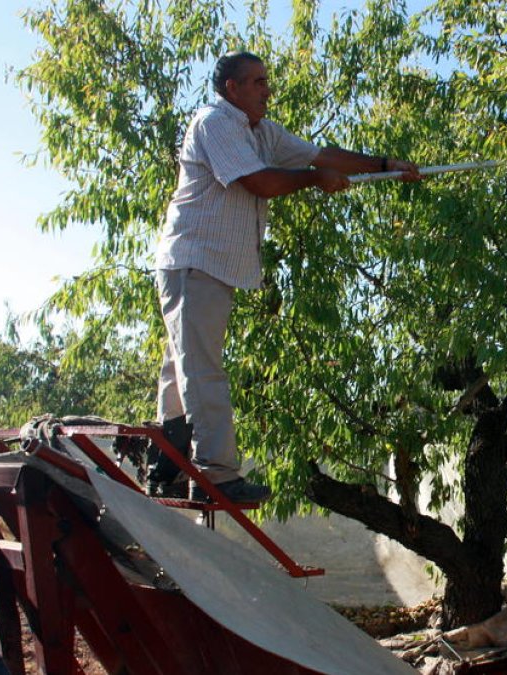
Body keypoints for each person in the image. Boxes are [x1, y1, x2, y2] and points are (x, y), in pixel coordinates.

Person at [152, 50, 420, 503]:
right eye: (256, 82)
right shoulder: (215, 122)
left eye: (265, 81)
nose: (266, 90)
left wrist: (384, 164)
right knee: (201, 370)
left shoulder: (261, 132)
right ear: (230, 88)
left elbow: (319, 153)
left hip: (208, 266)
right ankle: (216, 474)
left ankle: (167, 465)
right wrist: (316, 179)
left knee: (182, 366)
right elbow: (259, 182)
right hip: (194, 261)